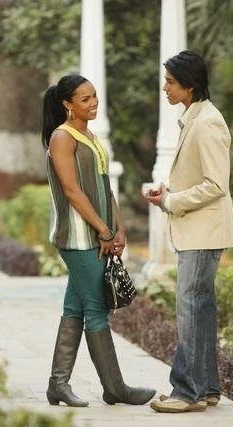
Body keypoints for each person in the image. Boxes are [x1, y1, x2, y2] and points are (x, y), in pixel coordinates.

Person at [42, 73, 156, 407]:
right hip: (78, 238)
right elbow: (71, 190)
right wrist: (103, 230)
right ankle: (115, 388)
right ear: (68, 104)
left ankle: (58, 385)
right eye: (85, 99)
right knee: (96, 309)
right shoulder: (62, 137)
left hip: (99, 234)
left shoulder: (89, 136)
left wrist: (118, 227)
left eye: (94, 96)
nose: (93, 103)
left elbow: (105, 187)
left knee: (75, 307)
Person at [147, 50, 233, 413]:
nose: (165, 88)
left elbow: (216, 184)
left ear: (190, 86)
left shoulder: (207, 122)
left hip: (202, 232)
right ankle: (208, 388)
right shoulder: (196, 118)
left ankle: (187, 392)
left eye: (170, 82)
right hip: (200, 231)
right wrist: (168, 192)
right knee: (201, 310)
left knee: (190, 310)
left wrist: (172, 201)